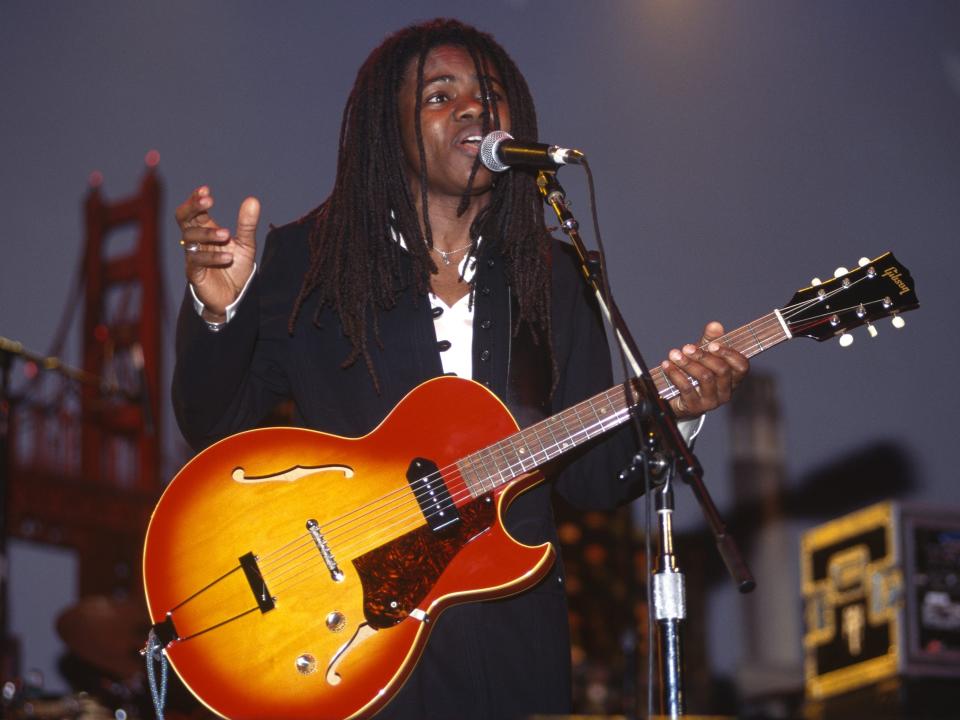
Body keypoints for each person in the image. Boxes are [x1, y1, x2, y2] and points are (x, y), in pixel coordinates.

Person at [172, 18, 748, 720]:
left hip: (510, 647)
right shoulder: (310, 262)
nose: (475, 108)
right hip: (353, 640)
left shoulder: (553, 277)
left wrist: (681, 411)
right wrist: (218, 316)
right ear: (391, 130)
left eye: (490, 93)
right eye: (440, 96)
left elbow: (594, 480)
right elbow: (212, 424)